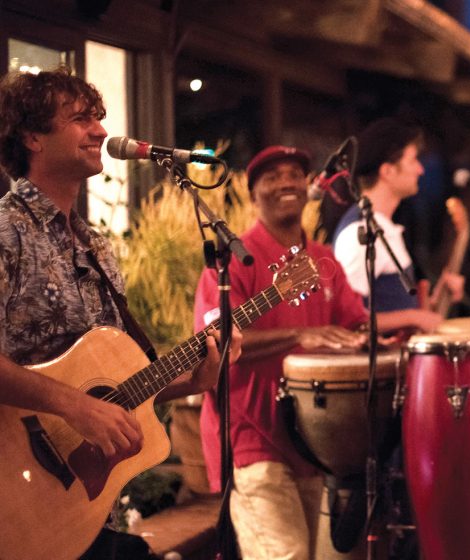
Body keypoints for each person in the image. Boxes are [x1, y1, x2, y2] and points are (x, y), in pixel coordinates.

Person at [0, 67, 239, 558]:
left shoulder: (97, 249)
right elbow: (83, 402)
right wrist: (73, 406)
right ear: (31, 137)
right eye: (80, 119)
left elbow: (112, 386)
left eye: (99, 118)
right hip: (14, 488)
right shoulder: (6, 230)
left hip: (83, 506)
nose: (102, 132)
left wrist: (191, 381)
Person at [194, 145, 443, 559]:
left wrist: (379, 339)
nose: (286, 182)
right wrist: (302, 335)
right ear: (253, 194)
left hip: (315, 443)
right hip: (252, 437)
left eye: (294, 173)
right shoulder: (232, 261)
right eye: (271, 177)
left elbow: (352, 323)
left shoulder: (323, 259)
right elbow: (216, 340)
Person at [330, 118, 463, 323]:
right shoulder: (358, 234)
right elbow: (346, 318)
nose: (421, 169)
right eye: (413, 160)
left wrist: (434, 302)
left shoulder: (385, 227)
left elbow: (393, 306)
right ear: (387, 171)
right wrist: (412, 318)